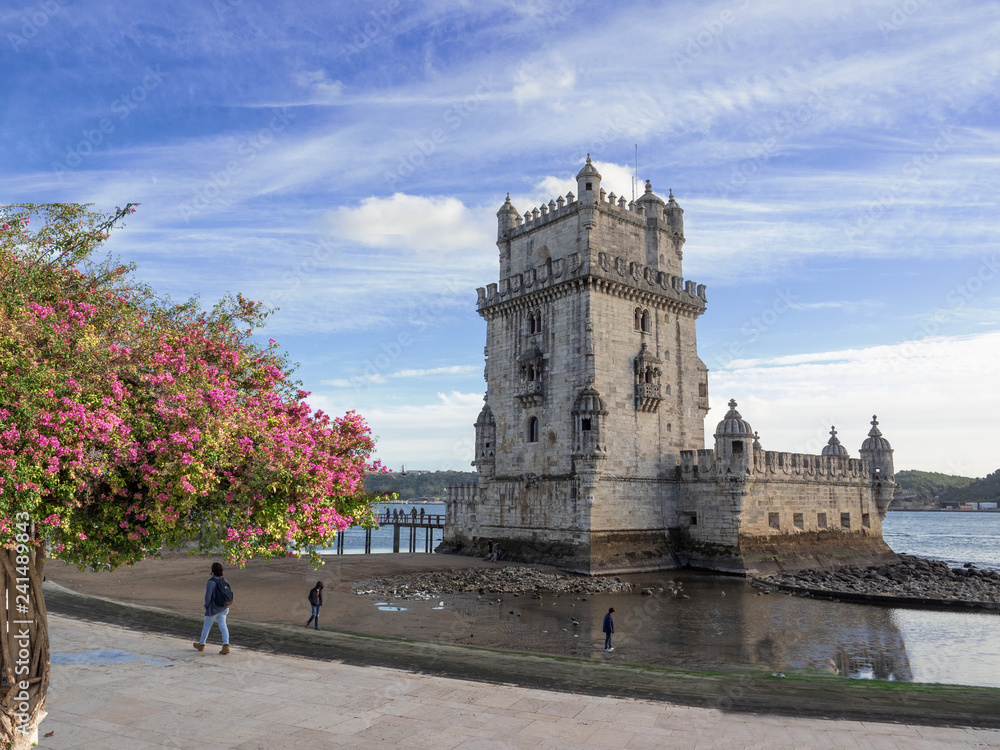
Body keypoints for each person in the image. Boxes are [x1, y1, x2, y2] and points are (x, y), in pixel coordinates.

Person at [193, 562, 231, 654]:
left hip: (214, 608)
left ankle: (201, 644)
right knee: (223, 625)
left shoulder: (211, 582)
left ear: (212, 571)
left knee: (207, 626)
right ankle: (226, 645)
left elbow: (208, 598)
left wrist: (206, 606)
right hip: (225, 607)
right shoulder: (224, 580)